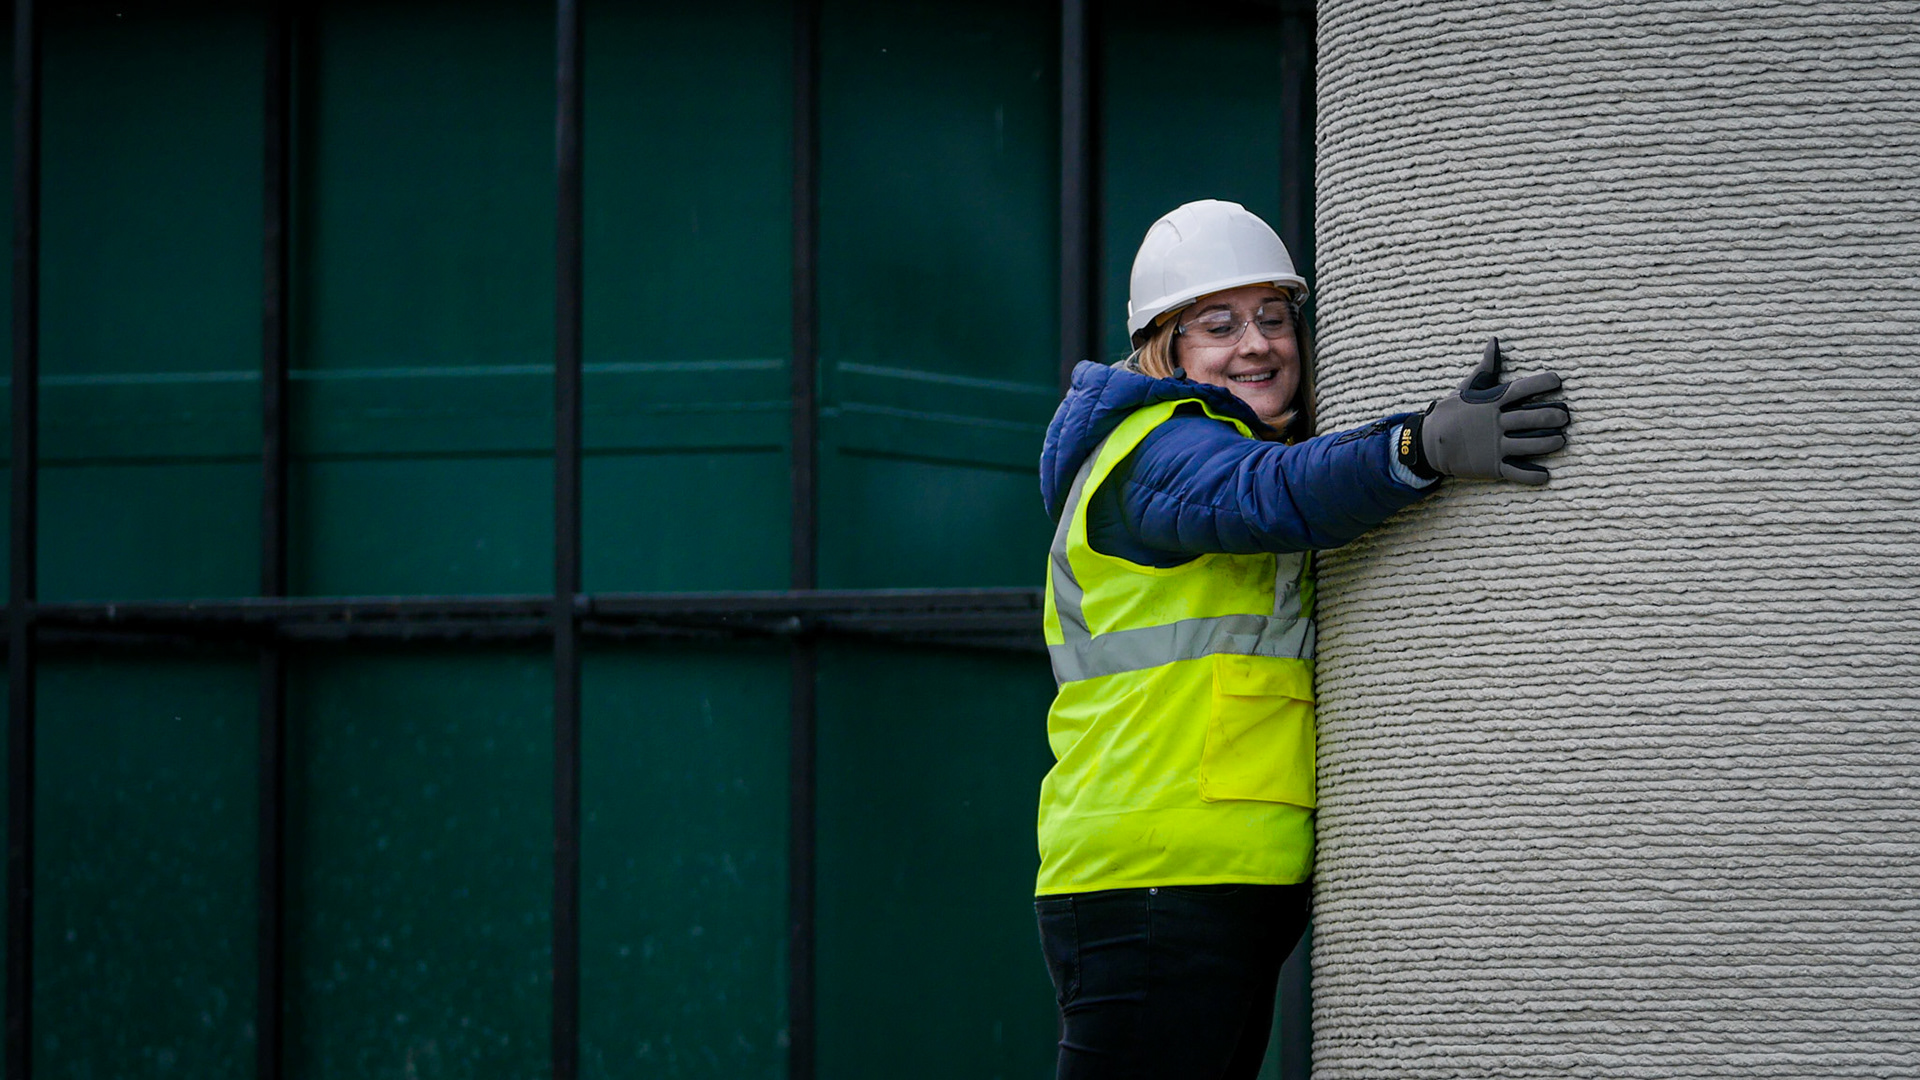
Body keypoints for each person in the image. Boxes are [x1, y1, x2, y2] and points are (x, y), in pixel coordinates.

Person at [1034, 199, 1570, 1079]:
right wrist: (1419, 445)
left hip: (1207, 884)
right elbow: (1268, 493)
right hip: (1153, 883)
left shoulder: (1199, 445)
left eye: (1273, 319)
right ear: (1164, 348)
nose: (1257, 345)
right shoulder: (1158, 452)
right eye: (1220, 325)